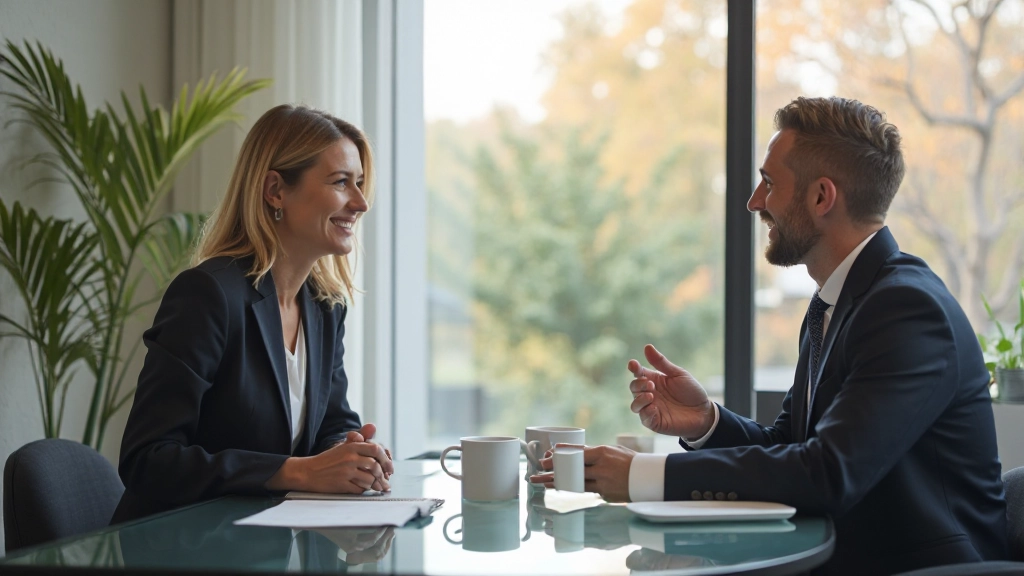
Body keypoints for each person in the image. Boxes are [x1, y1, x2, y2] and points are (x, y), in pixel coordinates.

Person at [531, 96, 1010, 574]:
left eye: (769, 183)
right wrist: (705, 422)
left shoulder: (907, 310)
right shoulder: (837, 301)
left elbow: (826, 473)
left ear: (822, 197)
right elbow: (791, 444)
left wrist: (642, 474)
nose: (754, 202)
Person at [113, 105, 394, 523]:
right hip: (178, 546)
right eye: (341, 182)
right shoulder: (207, 295)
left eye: (360, 183)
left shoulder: (324, 306)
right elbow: (149, 459)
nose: (360, 203)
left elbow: (331, 424)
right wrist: (297, 471)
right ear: (275, 191)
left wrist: (352, 454)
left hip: (266, 544)